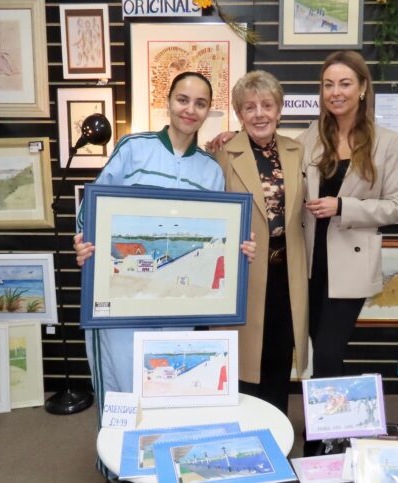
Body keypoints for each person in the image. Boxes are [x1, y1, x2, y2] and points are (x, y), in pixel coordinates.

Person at [73, 71, 255, 474]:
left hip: (178, 305)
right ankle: (117, 470)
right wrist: (83, 241)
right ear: (168, 102)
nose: (190, 109)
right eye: (183, 99)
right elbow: (93, 206)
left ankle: (161, 469)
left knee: (169, 385)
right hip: (120, 301)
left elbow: (217, 234)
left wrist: (240, 247)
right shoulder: (134, 149)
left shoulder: (210, 170)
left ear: (209, 110)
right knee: (120, 387)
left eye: (201, 103)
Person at [298, 50, 398, 380]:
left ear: (362, 87)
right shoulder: (308, 138)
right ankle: (331, 425)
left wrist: (342, 206)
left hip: (350, 263)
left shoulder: (387, 142)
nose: (336, 92)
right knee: (322, 350)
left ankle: (326, 431)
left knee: (330, 350)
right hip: (309, 261)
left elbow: (396, 207)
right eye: (328, 84)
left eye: (345, 83)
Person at [211, 70, 308, 414]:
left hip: (286, 272)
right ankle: (243, 431)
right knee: (243, 355)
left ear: (279, 110)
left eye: (267, 105)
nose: (259, 114)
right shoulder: (222, 154)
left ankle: (276, 426)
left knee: (279, 353)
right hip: (244, 272)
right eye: (249, 107)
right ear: (239, 114)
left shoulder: (298, 151)